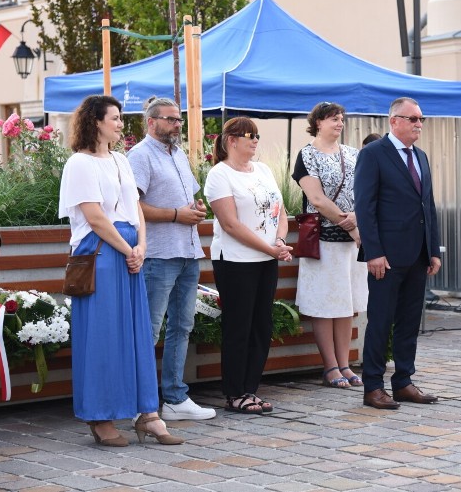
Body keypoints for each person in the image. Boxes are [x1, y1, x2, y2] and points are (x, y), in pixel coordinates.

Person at [58, 95, 183, 446]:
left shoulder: (120, 159)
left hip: (129, 251)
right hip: (101, 253)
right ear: (95, 122)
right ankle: (100, 417)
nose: (119, 124)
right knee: (103, 336)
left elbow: (136, 209)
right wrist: (129, 249)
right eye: (114, 118)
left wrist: (142, 245)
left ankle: (148, 414)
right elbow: (94, 216)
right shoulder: (79, 164)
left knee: (136, 334)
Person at [127, 97, 215, 422]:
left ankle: (175, 398)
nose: (177, 125)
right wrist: (177, 215)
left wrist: (196, 209)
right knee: (149, 330)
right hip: (158, 255)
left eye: (179, 120)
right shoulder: (138, 155)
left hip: (189, 252)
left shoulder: (177, 154)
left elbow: (190, 198)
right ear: (151, 122)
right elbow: (133, 206)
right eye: (170, 119)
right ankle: (143, 404)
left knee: (182, 326)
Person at [353, 97, 442, 409]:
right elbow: (364, 206)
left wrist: (434, 249)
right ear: (394, 122)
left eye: (421, 119)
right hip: (386, 257)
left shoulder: (421, 156)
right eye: (413, 118)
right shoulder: (373, 154)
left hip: (417, 254)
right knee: (380, 320)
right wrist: (373, 252)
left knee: (408, 321)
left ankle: (403, 381)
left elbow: (427, 205)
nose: (419, 124)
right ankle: (373, 386)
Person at [203, 117, 292, 414]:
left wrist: (279, 242)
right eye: (249, 135)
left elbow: (280, 211)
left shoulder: (264, 170)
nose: (255, 140)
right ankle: (234, 392)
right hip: (237, 261)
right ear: (231, 140)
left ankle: (250, 388)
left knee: (261, 325)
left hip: (268, 257)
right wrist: (270, 248)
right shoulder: (220, 174)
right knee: (238, 326)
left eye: (257, 135)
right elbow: (230, 224)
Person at [291, 102, 367, 389]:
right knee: (325, 303)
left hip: (351, 240)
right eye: (334, 119)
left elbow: (364, 190)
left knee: (346, 304)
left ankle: (345, 364)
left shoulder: (353, 154)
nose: (339, 123)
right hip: (323, 240)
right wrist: (348, 222)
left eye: (342, 119)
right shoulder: (307, 155)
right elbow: (317, 198)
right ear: (318, 122)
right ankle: (330, 366)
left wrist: (357, 218)